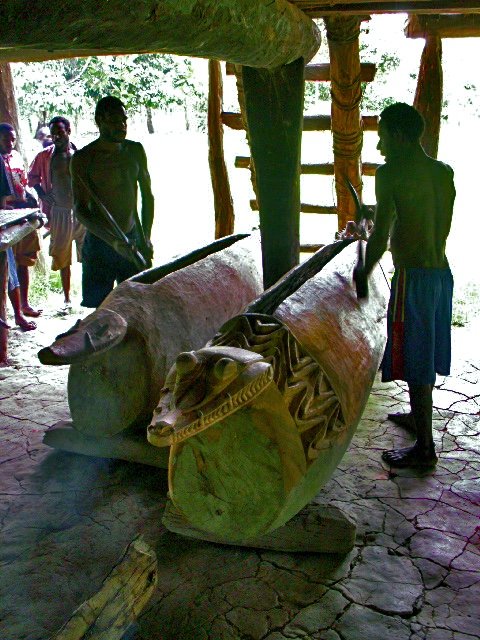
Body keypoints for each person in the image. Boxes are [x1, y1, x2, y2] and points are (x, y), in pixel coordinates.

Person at [353, 102, 455, 470]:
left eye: (382, 139)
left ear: (398, 136)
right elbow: (419, 217)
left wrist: (363, 272)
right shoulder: (443, 173)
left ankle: (425, 448)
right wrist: (377, 211)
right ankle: (417, 419)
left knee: (415, 361)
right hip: (440, 277)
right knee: (423, 353)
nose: (380, 148)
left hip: (412, 279)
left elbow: (381, 236)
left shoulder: (390, 173)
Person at [70, 96, 154, 308]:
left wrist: (146, 238)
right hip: (100, 244)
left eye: (124, 120)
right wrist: (113, 242)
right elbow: (80, 210)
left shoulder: (135, 151)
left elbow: (148, 196)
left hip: (132, 240)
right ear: (100, 121)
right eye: (115, 120)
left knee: (138, 307)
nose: (122, 126)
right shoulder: (83, 159)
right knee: (102, 313)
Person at [28, 116, 85, 308]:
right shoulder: (45, 156)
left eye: (60, 133)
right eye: (53, 134)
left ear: (69, 131)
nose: (56, 137)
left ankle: (87, 295)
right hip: (59, 212)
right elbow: (32, 177)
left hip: (81, 211)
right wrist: (43, 195)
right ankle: (67, 298)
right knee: (62, 256)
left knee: (87, 253)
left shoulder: (80, 154)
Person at [0, 122, 42, 319]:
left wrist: (29, 198)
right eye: (5, 139)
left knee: (24, 260)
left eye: (12, 139)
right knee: (6, 265)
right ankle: (11, 313)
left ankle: (24, 304)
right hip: (4, 219)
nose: (10, 143)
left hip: (21, 213)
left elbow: (22, 183)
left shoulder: (16, 157)